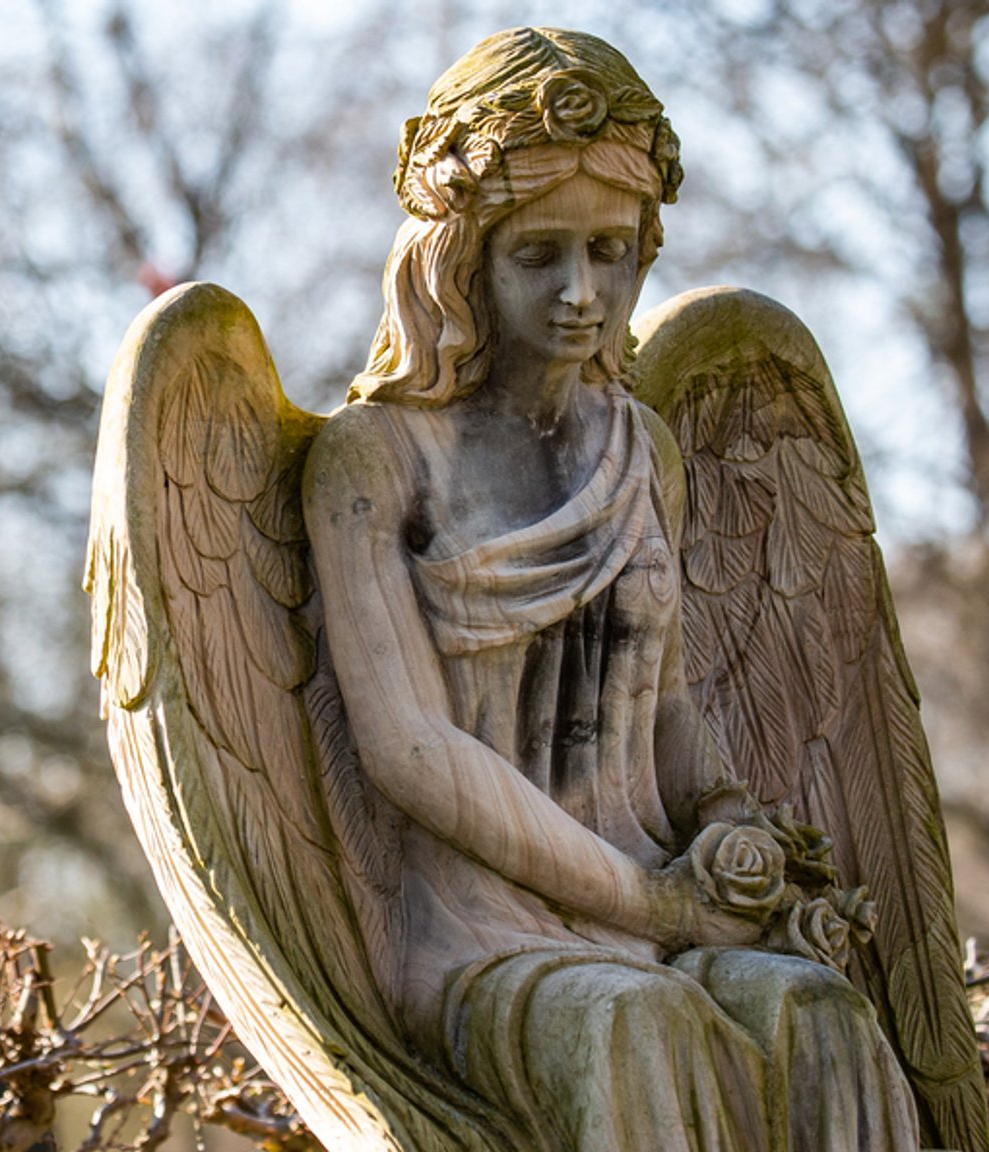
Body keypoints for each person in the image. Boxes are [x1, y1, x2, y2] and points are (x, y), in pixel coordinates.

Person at [301, 28, 920, 1152]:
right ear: (462, 260)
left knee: (820, 1014)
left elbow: (669, 700)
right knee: (634, 1028)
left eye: (612, 250)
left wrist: (725, 816)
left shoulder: (643, 449)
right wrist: (647, 908)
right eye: (538, 254)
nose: (582, 291)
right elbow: (407, 749)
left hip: (658, 908)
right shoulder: (373, 458)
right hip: (478, 936)